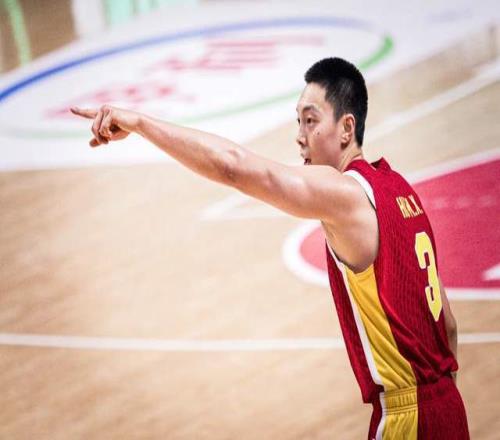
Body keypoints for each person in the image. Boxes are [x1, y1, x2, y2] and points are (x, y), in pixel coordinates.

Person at [72, 57, 469, 439]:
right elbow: (448, 325)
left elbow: (233, 166)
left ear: (346, 128)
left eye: (311, 121)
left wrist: (141, 123)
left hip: (408, 418)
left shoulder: (347, 195)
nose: (300, 135)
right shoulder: (400, 190)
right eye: (299, 121)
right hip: (450, 407)